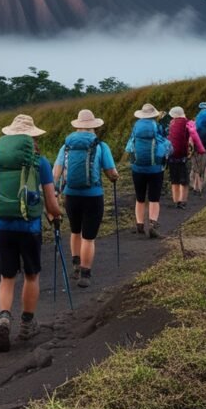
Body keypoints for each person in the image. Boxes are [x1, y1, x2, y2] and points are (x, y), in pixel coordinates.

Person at [0, 114, 63, 353]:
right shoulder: (41, 163)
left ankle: (4, 317)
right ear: (32, 138)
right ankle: (27, 323)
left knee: (7, 277)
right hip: (29, 227)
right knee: (31, 275)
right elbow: (51, 203)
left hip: (2, 227)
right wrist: (57, 215)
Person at [52, 109, 119, 288]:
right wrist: (114, 177)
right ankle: (85, 274)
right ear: (94, 126)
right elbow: (111, 173)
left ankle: (75, 265)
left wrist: (56, 193)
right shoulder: (101, 146)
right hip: (93, 195)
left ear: (77, 126)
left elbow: (56, 172)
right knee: (88, 237)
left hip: (71, 195)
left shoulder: (66, 146)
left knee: (75, 231)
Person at [124, 103, 172, 238]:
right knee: (154, 198)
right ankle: (152, 226)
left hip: (137, 168)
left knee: (139, 198)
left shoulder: (136, 128)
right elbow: (166, 144)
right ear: (154, 115)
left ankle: (139, 225)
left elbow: (129, 147)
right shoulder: (158, 127)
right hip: (156, 168)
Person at [166, 106, 205, 210]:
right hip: (182, 156)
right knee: (184, 180)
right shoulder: (187, 123)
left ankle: (176, 201)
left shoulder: (171, 124)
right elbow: (193, 135)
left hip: (171, 155)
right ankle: (183, 201)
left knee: (174, 180)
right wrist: (200, 149)